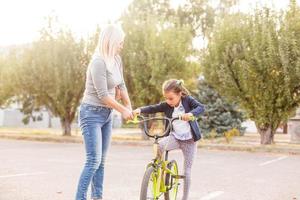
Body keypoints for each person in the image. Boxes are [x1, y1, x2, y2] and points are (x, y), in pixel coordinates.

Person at [76, 24, 133, 200]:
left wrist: (129, 106)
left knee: (101, 162)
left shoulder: (116, 60)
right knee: (93, 161)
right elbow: (102, 95)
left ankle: (97, 197)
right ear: (111, 42)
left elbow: (121, 85)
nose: (121, 46)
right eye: (120, 43)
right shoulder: (98, 62)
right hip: (91, 114)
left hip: (107, 115)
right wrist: (122, 109)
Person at [133, 79, 205, 200]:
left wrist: (191, 114)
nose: (168, 101)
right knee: (159, 145)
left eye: (171, 98)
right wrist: (139, 110)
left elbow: (201, 107)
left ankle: (184, 198)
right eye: (166, 98)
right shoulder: (167, 105)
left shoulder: (188, 100)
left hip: (189, 141)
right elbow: (153, 108)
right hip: (175, 137)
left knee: (187, 171)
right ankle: (158, 170)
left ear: (180, 94)